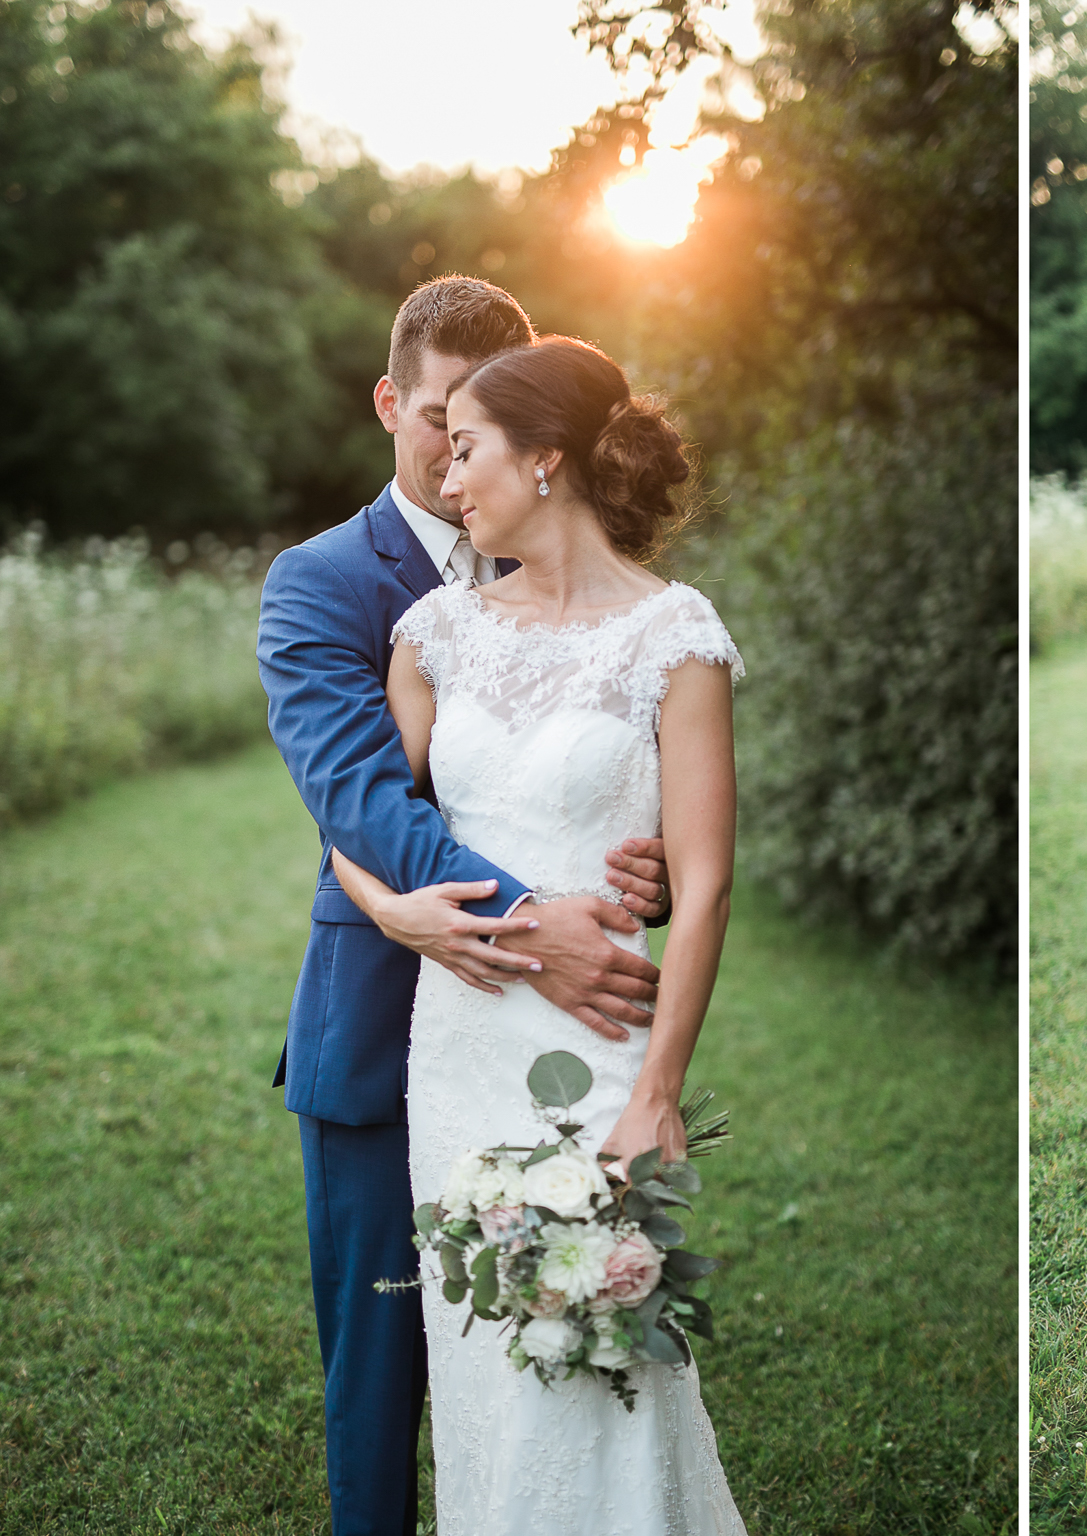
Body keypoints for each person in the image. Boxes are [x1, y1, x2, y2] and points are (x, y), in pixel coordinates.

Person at [258, 278, 678, 1536]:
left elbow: (633, 764)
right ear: (392, 400)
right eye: (438, 415)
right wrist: (535, 917)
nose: (455, 453)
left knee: (555, 1357)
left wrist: (630, 859)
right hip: (388, 1032)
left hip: (550, 1047)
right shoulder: (320, 581)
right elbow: (362, 802)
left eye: (480, 427)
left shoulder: (576, 568)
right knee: (382, 1377)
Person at [329, 334, 748, 1533]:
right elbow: (358, 822)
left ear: (546, 461)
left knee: (599, 1354)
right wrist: (395, 910)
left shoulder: (677, 636)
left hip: (600, 1040)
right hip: (457, 1038)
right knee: (482, 1361)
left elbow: (705, 883)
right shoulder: (437, 635)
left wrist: (658, 1089)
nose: (448, 481)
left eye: (467, 452)